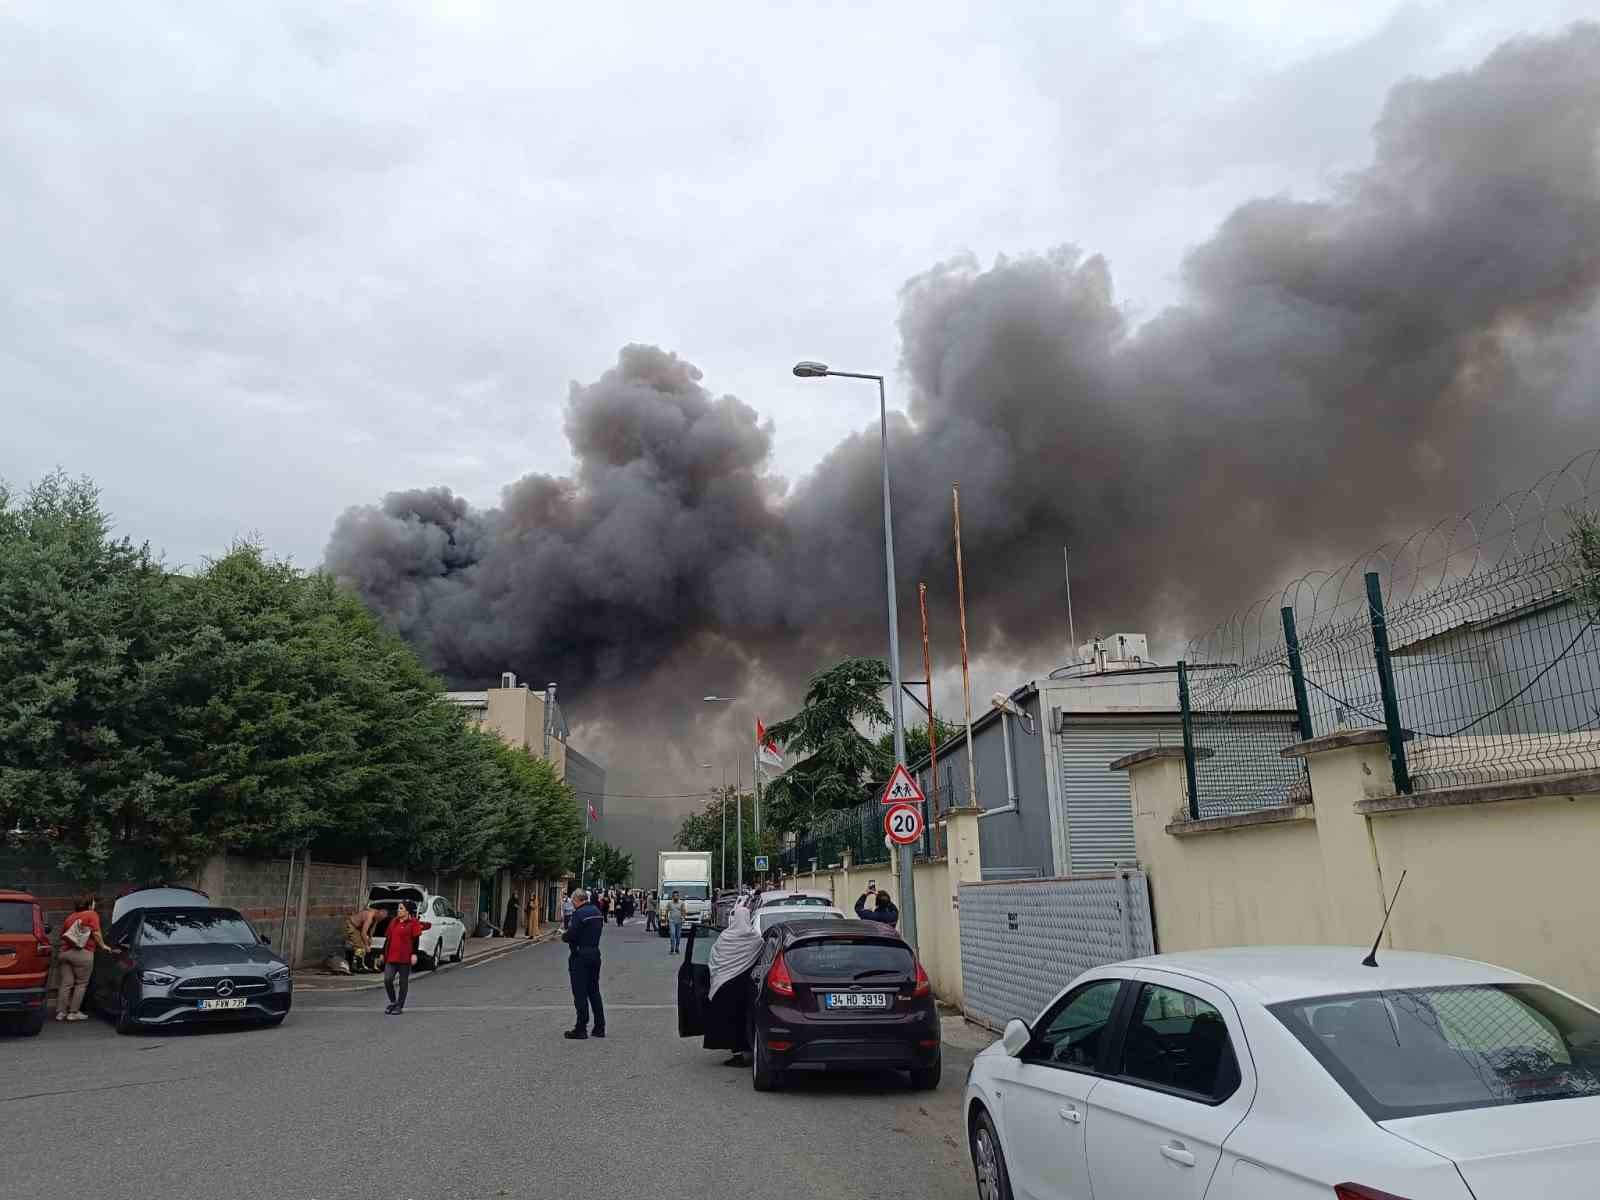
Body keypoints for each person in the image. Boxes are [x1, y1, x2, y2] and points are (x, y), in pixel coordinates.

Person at [704, 898, 763, 1065]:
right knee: (743, 1019)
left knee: (730, 1021)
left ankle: (737, 1054)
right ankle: (747, 1049)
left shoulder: (725, 937)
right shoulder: (754, 939)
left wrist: (717, 974)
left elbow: (714, 958)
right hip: (744, 987)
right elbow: (761, 953)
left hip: (724, 985)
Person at [55, 893, 117, 1022]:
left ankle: (61, 1012)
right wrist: (103, 946)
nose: (95, 904)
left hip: (64, 954)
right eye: (94, 902)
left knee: (66, 984)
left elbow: (63, 935)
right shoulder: (91, 914)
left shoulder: (70, 917)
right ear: (90, 904)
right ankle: (73, 1012)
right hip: (82, 953)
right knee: (81, 984)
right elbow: (96, 932)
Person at [561, 888, 605, 1040]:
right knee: (594, 991)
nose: (572, 904)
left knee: (580, 993)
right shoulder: (597, 912)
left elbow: (572, 934)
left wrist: (564, 936)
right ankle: (600, 1026)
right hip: (595, 953)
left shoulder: (579, 914)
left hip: (580, 955)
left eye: (573, 901)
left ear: (577, 900)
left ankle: (581, 1028)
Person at [381, 900, 432, 1016]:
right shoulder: (394, 921)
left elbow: (415, 940)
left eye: (401, 908)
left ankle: (400, 1006)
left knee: (403, 982)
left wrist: (414, 954)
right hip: (391, 956)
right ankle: (393, 1002)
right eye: (398, 908)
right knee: (387, 979)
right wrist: (382, 953)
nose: (398, 911)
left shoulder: (413, 922)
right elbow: (388, 938)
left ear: (407, 911)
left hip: (405, 957)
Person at [343, 903, 383, 973]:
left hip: (358, 928)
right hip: (352, 926)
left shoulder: (376, 917)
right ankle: (359, 966)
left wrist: (370, 938)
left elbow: (372, 929)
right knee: (360, 946)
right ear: (378, 913)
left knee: (360, 945)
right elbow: (363, 933)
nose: (380, 920)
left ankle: (359, 965)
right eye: (380, 918)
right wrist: (366, 945)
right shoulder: (370, 916)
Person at [666, 891, 685, 955]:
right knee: (672, 934)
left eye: (677, 896)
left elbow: (683, 911)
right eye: (674, 896)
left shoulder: (681, 903)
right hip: (672, 921)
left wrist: (683, 918)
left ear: (678, 896)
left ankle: (677, 948)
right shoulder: (670, 903)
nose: (675, 897)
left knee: (678, 935)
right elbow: (666, 911)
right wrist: (666, 919)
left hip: (679, 921)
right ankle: (672, 949)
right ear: (672, 897)